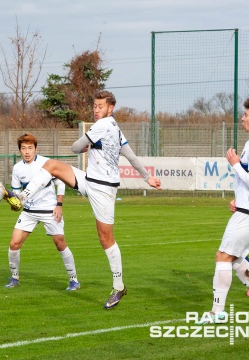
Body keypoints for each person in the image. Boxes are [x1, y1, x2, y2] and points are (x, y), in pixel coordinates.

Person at [12, 91, 161, 309]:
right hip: (89, 180)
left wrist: (86, 145)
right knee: (52, 165)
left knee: (105, 238)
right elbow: (131, 156)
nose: (96, 109)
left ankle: (119, 286)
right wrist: (147, 177)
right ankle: (24, 196)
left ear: (110, 108)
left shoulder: (102, 125)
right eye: (94, 105)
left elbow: (74, 148)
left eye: (100, 106)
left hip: (103, 189)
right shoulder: (116, 129)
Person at [196, 97, 249, 324]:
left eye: (246, 115)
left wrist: (235, 162)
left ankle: (217, 312)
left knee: (223, 256)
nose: (242, 118)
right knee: (235, 258)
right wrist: (240, 199)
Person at [5, 134, 80, 291]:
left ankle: (74, 280)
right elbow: (17, 194)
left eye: (30, 148)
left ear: (36, 149)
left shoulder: (46, 163)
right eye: (24, 148)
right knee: (14, 243)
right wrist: (15, 204)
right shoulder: (17, 168)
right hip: (29, 211)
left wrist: (59, 205)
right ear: (19, 150)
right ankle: (14, 277)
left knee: (60, 243)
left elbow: (60, 183)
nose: (27, 152)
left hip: (49, 210)